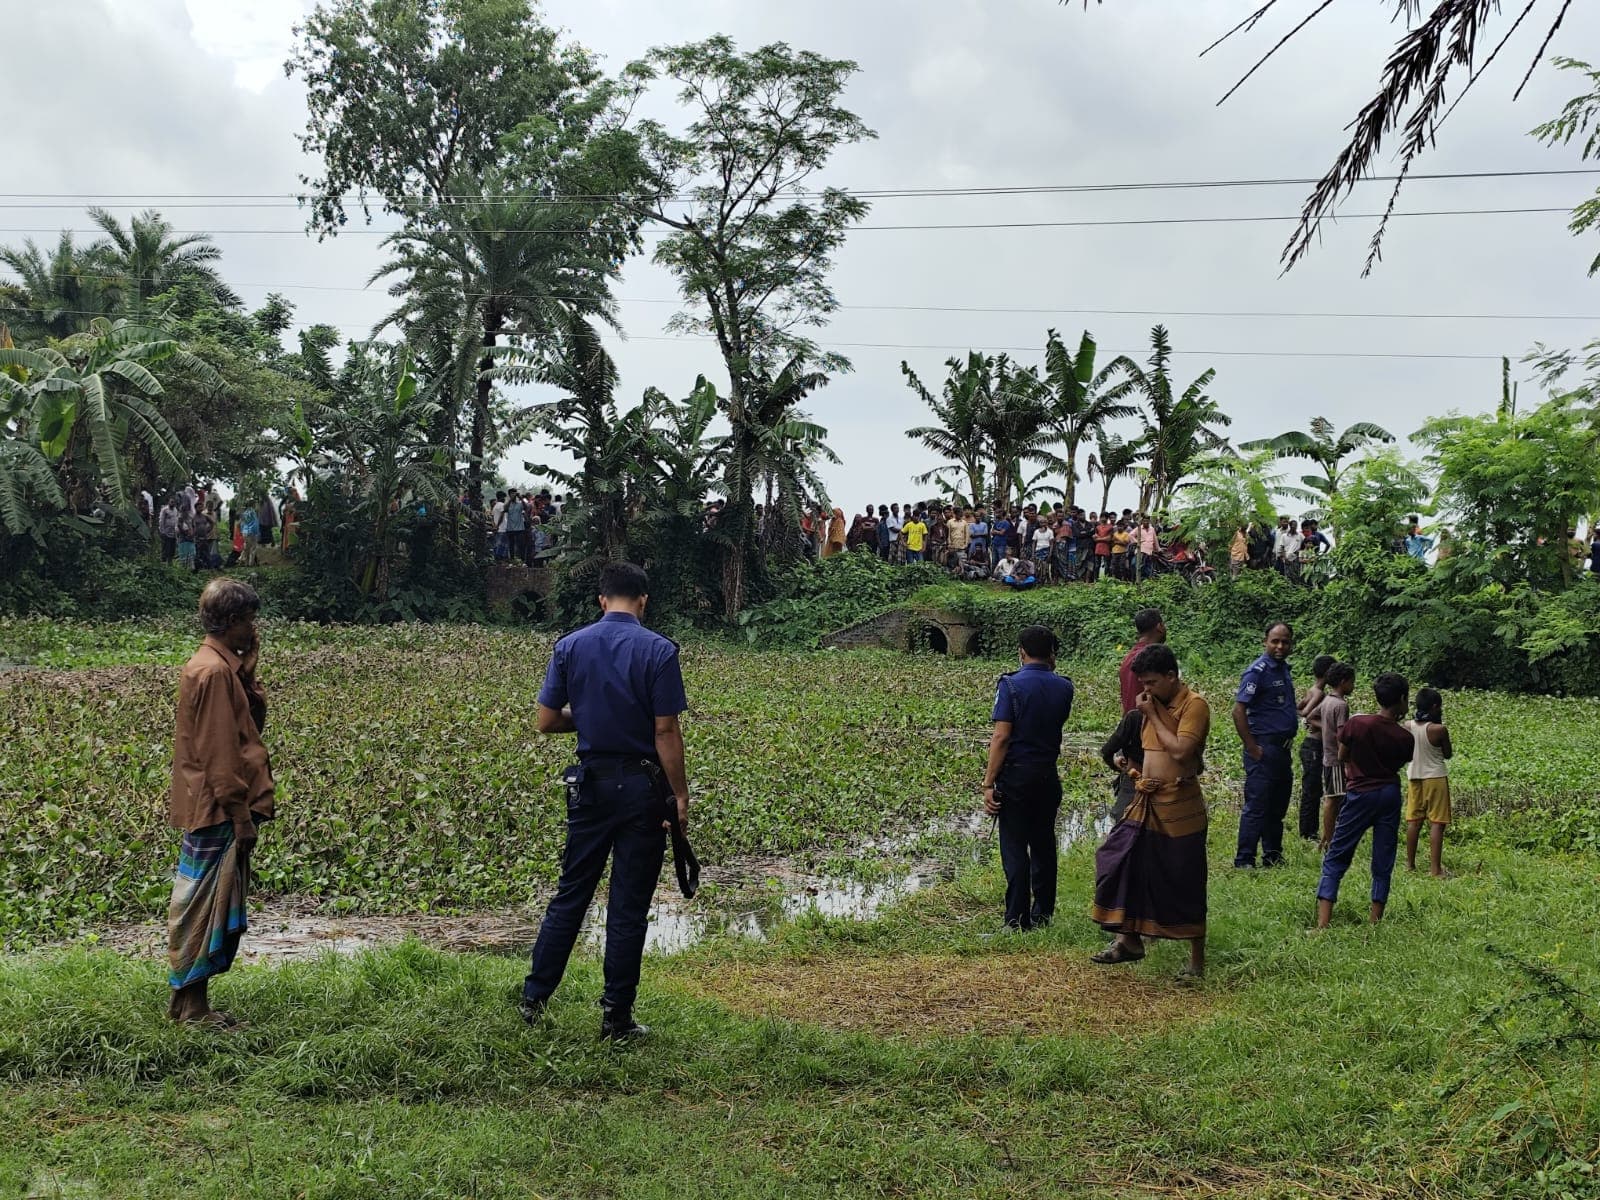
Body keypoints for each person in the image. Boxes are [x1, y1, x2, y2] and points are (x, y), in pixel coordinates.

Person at [522, 564, 690, 1040]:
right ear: (643, 600)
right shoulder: (659, 650)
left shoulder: (569, 646)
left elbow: (547, 720)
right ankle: (616, 1017)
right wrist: (678, 794)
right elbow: (665, 729)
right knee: (628, 906)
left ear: (601, 600)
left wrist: (593, 715)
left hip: (590, 787)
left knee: (571, 893)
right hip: (642, 788)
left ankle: (533, 1000)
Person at [166, 579, 274, 1025]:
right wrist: (240, 816)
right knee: (202, 907)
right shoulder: (212, 672)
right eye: (249, 620)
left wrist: (247, 669)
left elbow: (251, 722)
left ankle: (189, 1004)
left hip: (210, 805)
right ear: (231, 622)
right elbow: (220, 753)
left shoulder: (219, 667)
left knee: (206, 902)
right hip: (216, 809)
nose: (253, 628)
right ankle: (192, 1008)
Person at [1089, 643, 1211, 982]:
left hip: (1180, 807)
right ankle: (1128, 940)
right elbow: (1149, 754)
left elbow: (1183, 752)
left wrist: (1154, 715)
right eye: (1142, 684)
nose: (1146, 691)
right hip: (1145, 802)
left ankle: (1196, 963)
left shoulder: (1194, 705)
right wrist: (1130, 770)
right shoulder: (1148, 707)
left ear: (1172, 676)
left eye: (1152, 683)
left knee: (1184, 878)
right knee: (1121, 861)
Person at [981, 625, 1074, 930]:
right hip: (1048, 777)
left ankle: (1017, 920)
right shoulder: (1065, 687)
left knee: (1015, 847)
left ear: (1021, 652)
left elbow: (1001, 737)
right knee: (1044, 844)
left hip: (1017, 778)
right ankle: (1043, 913)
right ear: (1052, 653)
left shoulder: (1010, 685)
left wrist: (988, 783)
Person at [1316, 673, 1414, 928]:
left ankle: (1323, 923)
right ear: (1402, 700)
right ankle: (1375, 920)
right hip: (1389, 794)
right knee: (1383, 857)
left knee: (1338, 854)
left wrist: (1355, 767)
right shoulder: (1405, 737)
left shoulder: (1357, 724)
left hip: (1360, 794)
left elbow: (1342, 753)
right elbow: (1398, 763)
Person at [1232, 622, 1298, 868]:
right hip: (1263, 748)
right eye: (1275, 641)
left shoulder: (1282, 669)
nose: (1280, 646)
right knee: (1257, 805)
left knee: (1277, 805)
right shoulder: (1256, 672)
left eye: (1285, 642)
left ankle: (1272, 854)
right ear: (1265, 642)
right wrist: (1252, 747)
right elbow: (1238, 711)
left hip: (1283, 749)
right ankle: (1244, 859)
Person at [1404, 688, 1454, 877]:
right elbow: (1448, 754)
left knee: (1414, 821)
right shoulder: (1438, 730)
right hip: (1435, 777)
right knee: (1437, 823)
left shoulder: (1407, 725)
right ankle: (1435, 870)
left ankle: (1409, 865)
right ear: (1435, 707)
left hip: (1414, 776)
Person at [1298, 655, 1335, 840]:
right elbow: (1306, 713)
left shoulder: (1312, 689)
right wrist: (1329, 726)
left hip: (1311, 744)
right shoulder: (1320, 693)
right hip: (1314, 744)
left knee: (1311, 789)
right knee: (1312, 790)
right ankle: (1308, 831)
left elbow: (1298, 708)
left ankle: (1308, 829)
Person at [1318, 663, 1356, 844]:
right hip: (1336, 759)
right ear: (1343, 682)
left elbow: (1311, 716)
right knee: (1333, 800)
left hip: (1328, 756)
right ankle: (1329, 841)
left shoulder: (1327, 700)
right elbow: (1343, 734)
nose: (1353, 686)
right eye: (1352, 682)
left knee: (1333, 798)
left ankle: (1327, 837)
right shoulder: (1341, 705)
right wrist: (1346, 761)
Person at [1100, 704, 1144, 823]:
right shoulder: (1180, 718)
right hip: (1169, 788)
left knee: (1124, 830)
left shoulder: (1135, 717)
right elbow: (1197, 767)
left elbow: (1106, 752)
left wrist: (1120, 767)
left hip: (1133, 783)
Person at [1118, 608, 1166, 713]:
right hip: (1149, 724)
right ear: (1159, 627)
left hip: (1130, 724)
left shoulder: (1127, 659)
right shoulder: (1156, 657)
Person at [239, 501, 260, 567]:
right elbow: (255, 523)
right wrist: (257, 532)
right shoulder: (253, 512)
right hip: (252, 532)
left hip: (245, 532)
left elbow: (242, 523)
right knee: (253, 548)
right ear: (253, 505)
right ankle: (251, 563)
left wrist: (242, 531)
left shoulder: (244, 513)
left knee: (246, 548)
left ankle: (246, 562)